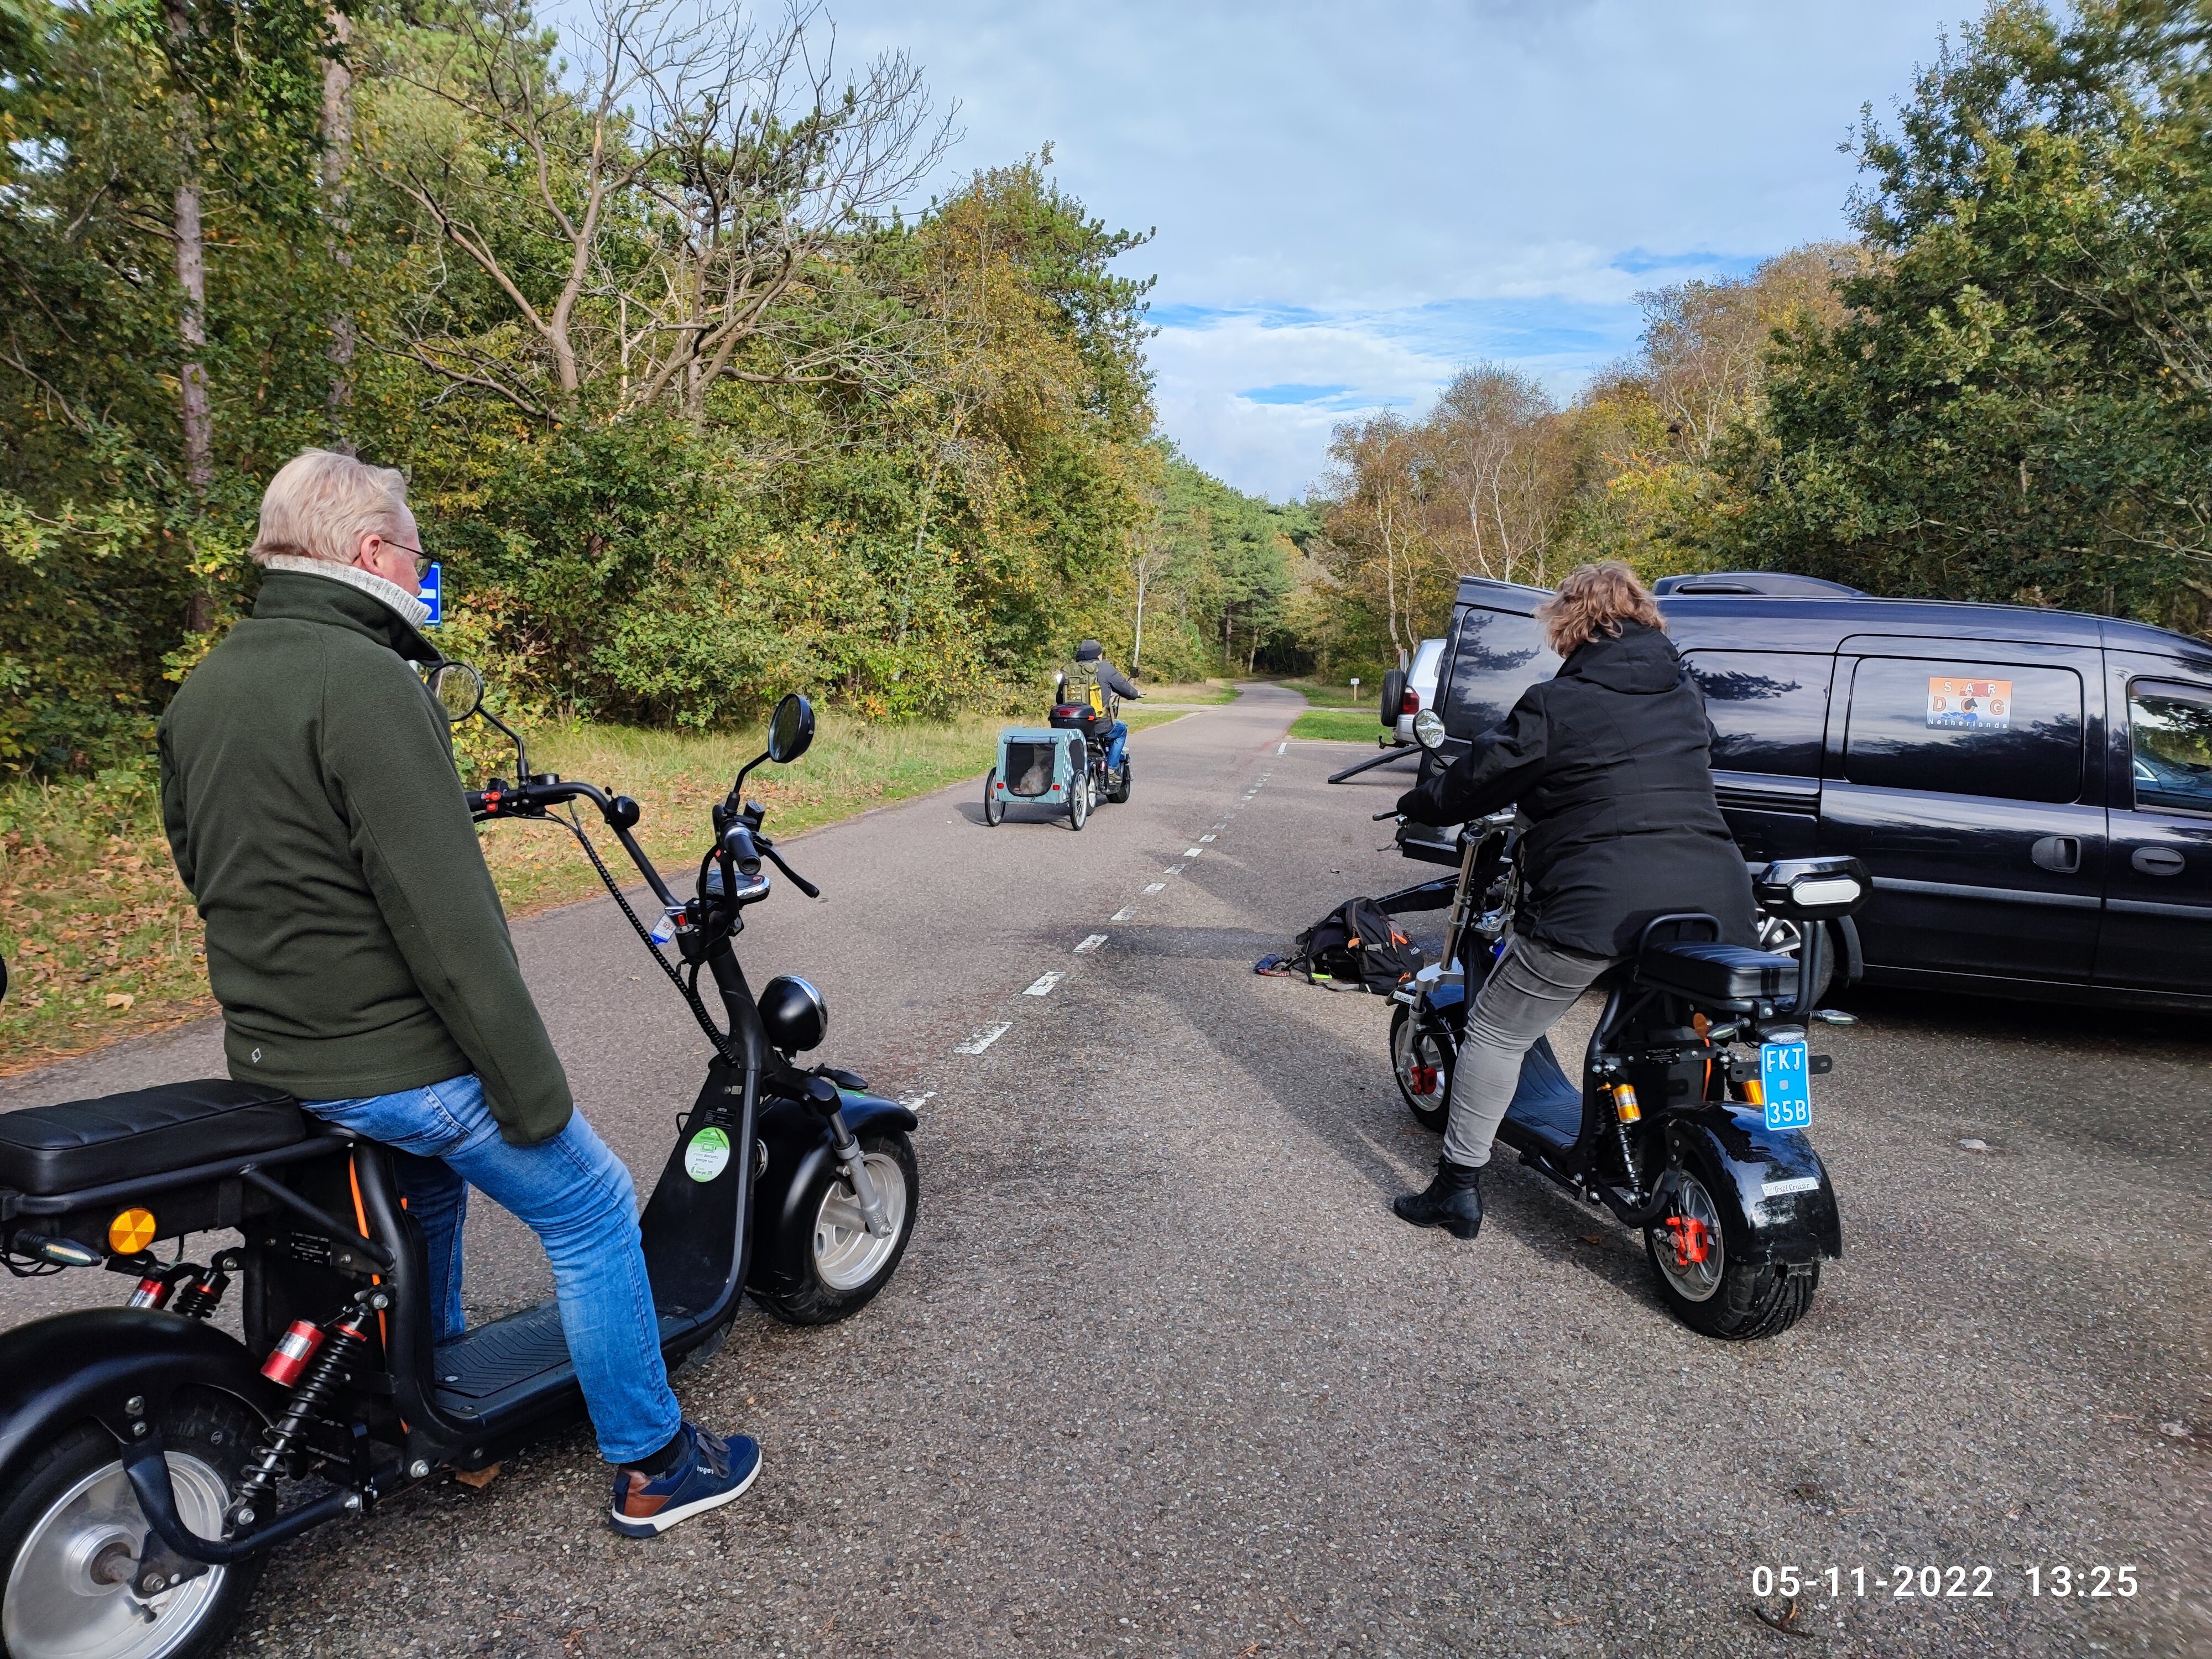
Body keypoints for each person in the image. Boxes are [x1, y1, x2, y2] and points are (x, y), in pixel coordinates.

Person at [157, 448, 759, 1537]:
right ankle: (654, 1464)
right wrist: (533, 1092)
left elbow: (206, 871)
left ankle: (432, 1419)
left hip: (276, 1055)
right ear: (371, 552)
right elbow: (452, 931)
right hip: (386, 1063)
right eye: (416, 555)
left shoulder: (209, 686)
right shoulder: (367, 682)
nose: (420, 577)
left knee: (429, 1194)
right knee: (587, 1201)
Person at [1390, 561, 1755, 1241]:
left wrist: (1420, 800)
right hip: (1712, 900)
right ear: (1644, 617)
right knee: (1662, 1033)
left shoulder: (1557, 703)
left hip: (1599, 902)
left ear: (1569, 623)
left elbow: (1484, 776)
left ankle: (1456, 1187)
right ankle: (1648, 1149)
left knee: (1499, 1028)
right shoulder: (1683, 693)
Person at [1057, 638, 1143, 784]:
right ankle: (1111, 769)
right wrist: (1136, 694)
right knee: (1122, 730)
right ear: (1097, 655)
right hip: (1098, 725)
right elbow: (1126, 689)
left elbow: (1060, 700)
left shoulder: (1070, 671)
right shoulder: (1104, 668)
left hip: (1069, 725)